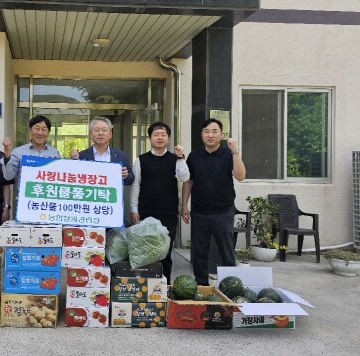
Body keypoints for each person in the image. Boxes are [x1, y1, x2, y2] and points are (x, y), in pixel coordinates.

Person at [181, 118, 246, 286]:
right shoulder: (194, 156)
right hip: (200, 212)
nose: (210, 135)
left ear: (221, 134)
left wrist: (235, 152)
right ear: (201, 134)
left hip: (223, 212)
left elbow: (240, 176)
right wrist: (184, 206)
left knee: (227, 251)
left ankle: (231, 287)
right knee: (200, 252)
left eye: (214, 131)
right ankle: (202, 286)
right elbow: (188, 181)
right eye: (206, 131)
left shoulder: (228, 154)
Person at [130, 122, 190, 283]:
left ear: (168, 138)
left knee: (165, 252)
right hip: (146, 212)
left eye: (163, 135)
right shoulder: (141, 160)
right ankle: (146, 285)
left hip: (168, 213)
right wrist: (134, 209)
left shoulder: (175, 159)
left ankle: (165, 286)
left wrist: (180, 157)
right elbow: (136, 186)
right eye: (156, 134)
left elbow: (184, 177)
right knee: (147, 251)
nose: (159, 137)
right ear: (150, 138)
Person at [74, 117, 135, 185]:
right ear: (91, 134)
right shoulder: (82, 156)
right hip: (90, 194)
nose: (100, 133)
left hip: (112, 194)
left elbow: (131, 179)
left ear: (110, 134)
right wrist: (73, 160)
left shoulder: (120, 155)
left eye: (104, 130)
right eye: (96, 130)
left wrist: (125, 176)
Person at [1, 115, 61, 182]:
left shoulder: (54, 153)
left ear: (48, 132)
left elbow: (61, 175)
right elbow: (8, 176)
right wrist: (7, 154)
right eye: (37, 129)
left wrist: (74, 159)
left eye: (44, 129)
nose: (40, 133)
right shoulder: (18, 152)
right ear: (30, 130)